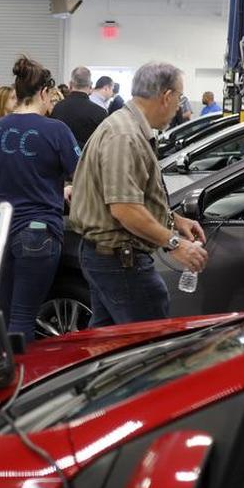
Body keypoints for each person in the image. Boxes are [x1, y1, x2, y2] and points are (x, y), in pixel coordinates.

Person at [68, 61, 208, 326]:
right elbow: (125, 209)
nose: (179, 105)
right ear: (166, 97)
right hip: (121, 262)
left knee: (107, 346)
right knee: (149, 348)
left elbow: (136, 195)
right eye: (179, 97)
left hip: (110, 258)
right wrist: (174, 243)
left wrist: (176, 221)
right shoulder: (125, 136)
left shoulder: (127, 128)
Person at [0, 57, 80, 340]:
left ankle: (1, 374)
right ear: (43, 92)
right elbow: (83, 174)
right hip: (37, 232)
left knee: (2, 314)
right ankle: (23, 380)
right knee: (24, 317)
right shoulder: (56, 129)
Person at [50, 65, 106, 148]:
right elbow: (102, 146)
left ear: (70, 84)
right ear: (90, 86)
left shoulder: (58, 108)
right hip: (86, 160)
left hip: (60, 159)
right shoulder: (100, 112)